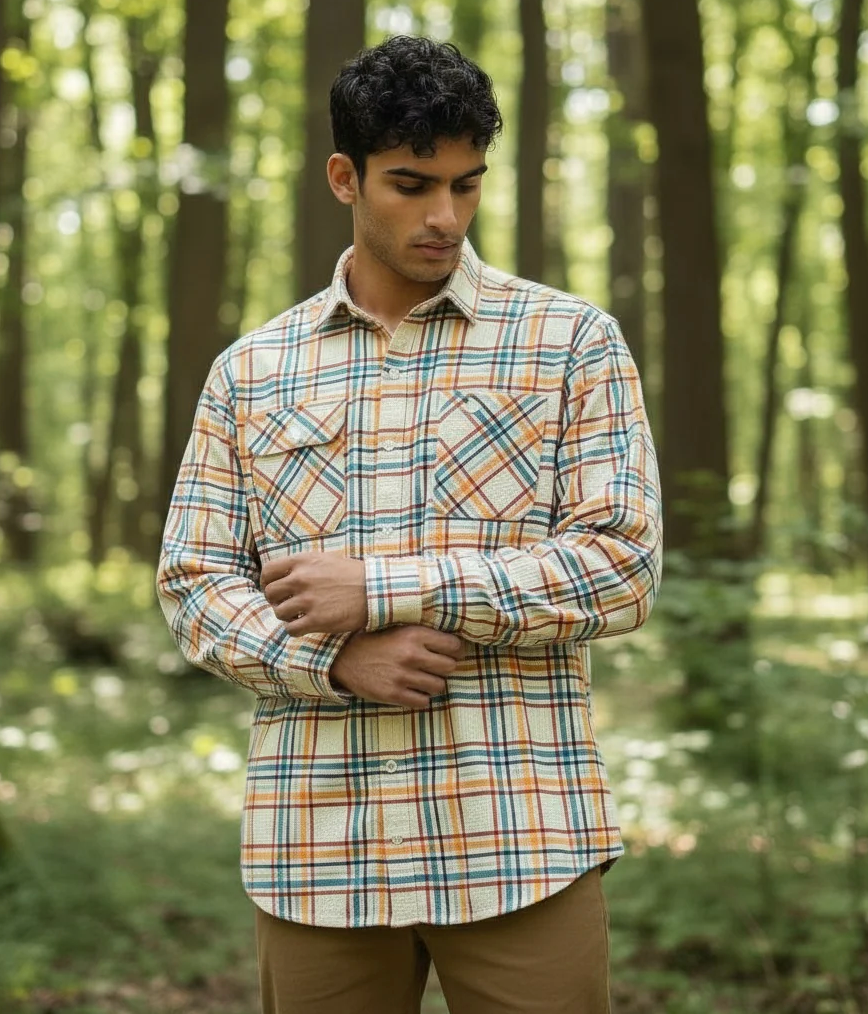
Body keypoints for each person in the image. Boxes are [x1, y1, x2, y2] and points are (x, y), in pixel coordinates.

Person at [157, 34, 662, 1014]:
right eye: (411, 184)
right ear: (344, 178)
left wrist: (392, 588)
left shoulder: (569, 344)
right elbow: (193, 583)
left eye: (466, 186)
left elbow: (622, 566)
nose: (444, 216)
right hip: (319, 847)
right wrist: (333, 662)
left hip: (519, 836)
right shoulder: (253, 371)